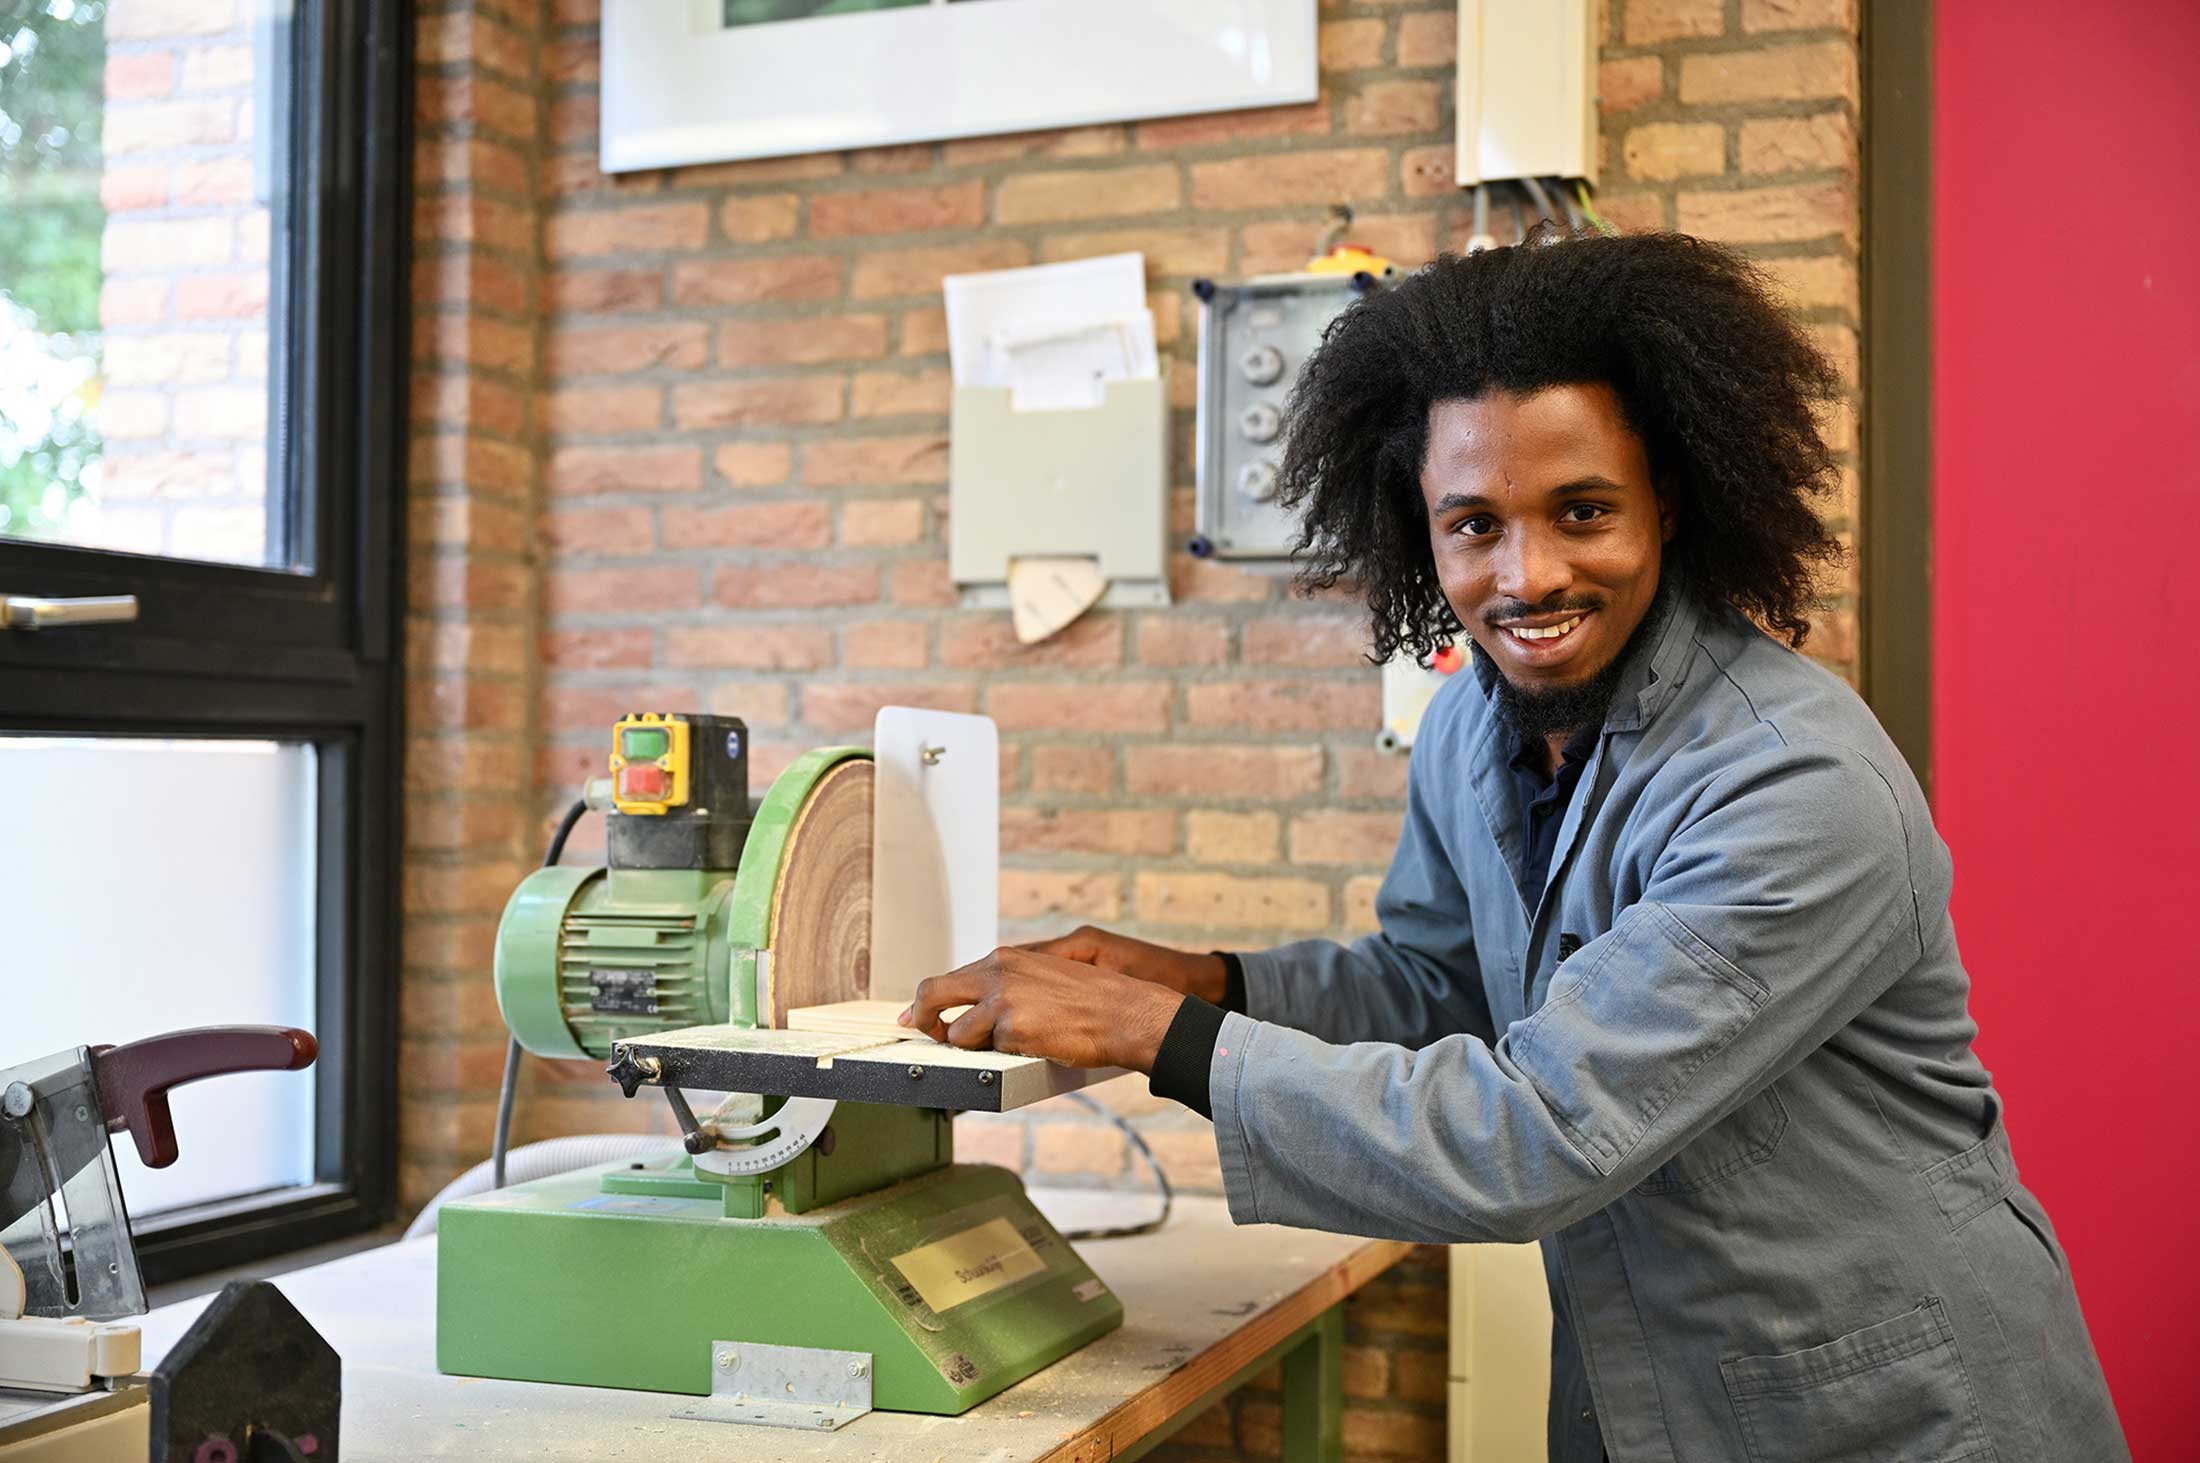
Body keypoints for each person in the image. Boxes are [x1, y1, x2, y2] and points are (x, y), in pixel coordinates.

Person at [899, 231, 2127, 1463]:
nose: (1525, 575)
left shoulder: (1793, 784)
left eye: (1580, 510)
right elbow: (1435, 987)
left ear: (1671, 501)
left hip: (1898, 1412)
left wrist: (1145, 1036)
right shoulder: (1473, 726)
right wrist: (1196, 979)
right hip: (1653, 1393)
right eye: (1474, 523)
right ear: (1419, 533)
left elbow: (1534, 1130)